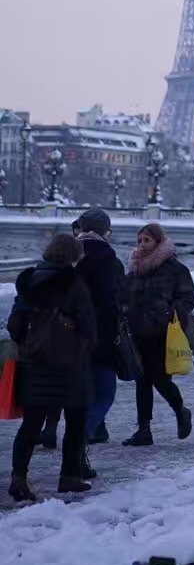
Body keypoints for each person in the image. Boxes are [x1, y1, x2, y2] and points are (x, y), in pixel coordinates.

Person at [6, 233, 97, 502]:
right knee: (76, 420)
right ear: (72, 256)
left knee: (31, 424)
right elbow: (89, 327)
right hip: (69, 365)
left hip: (34, 363)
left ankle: (18, 477)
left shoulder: (28, 281)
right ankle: (69, 476)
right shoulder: (74, 283)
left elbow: (14, 327)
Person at [122, 223, 194, 446]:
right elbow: (123, 295)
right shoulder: (135, 270)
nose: (142, 245)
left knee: (159, 378)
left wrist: (170, 312)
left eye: (147, 240)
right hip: (137, 332)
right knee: (141, 380)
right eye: (139, 241)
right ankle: (144, 430)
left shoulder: (174, 268)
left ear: (158, 242)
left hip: (162, 334)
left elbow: (188, 298)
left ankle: (181, 410)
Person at [74, 209, 128, 450]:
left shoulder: (69, 256)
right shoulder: (109, 261)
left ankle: (91, 434)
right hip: (102, 336)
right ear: (106, 231)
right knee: (105, 393)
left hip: (70, 337)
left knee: (81, 394)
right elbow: (115, 302)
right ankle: (78, 441)